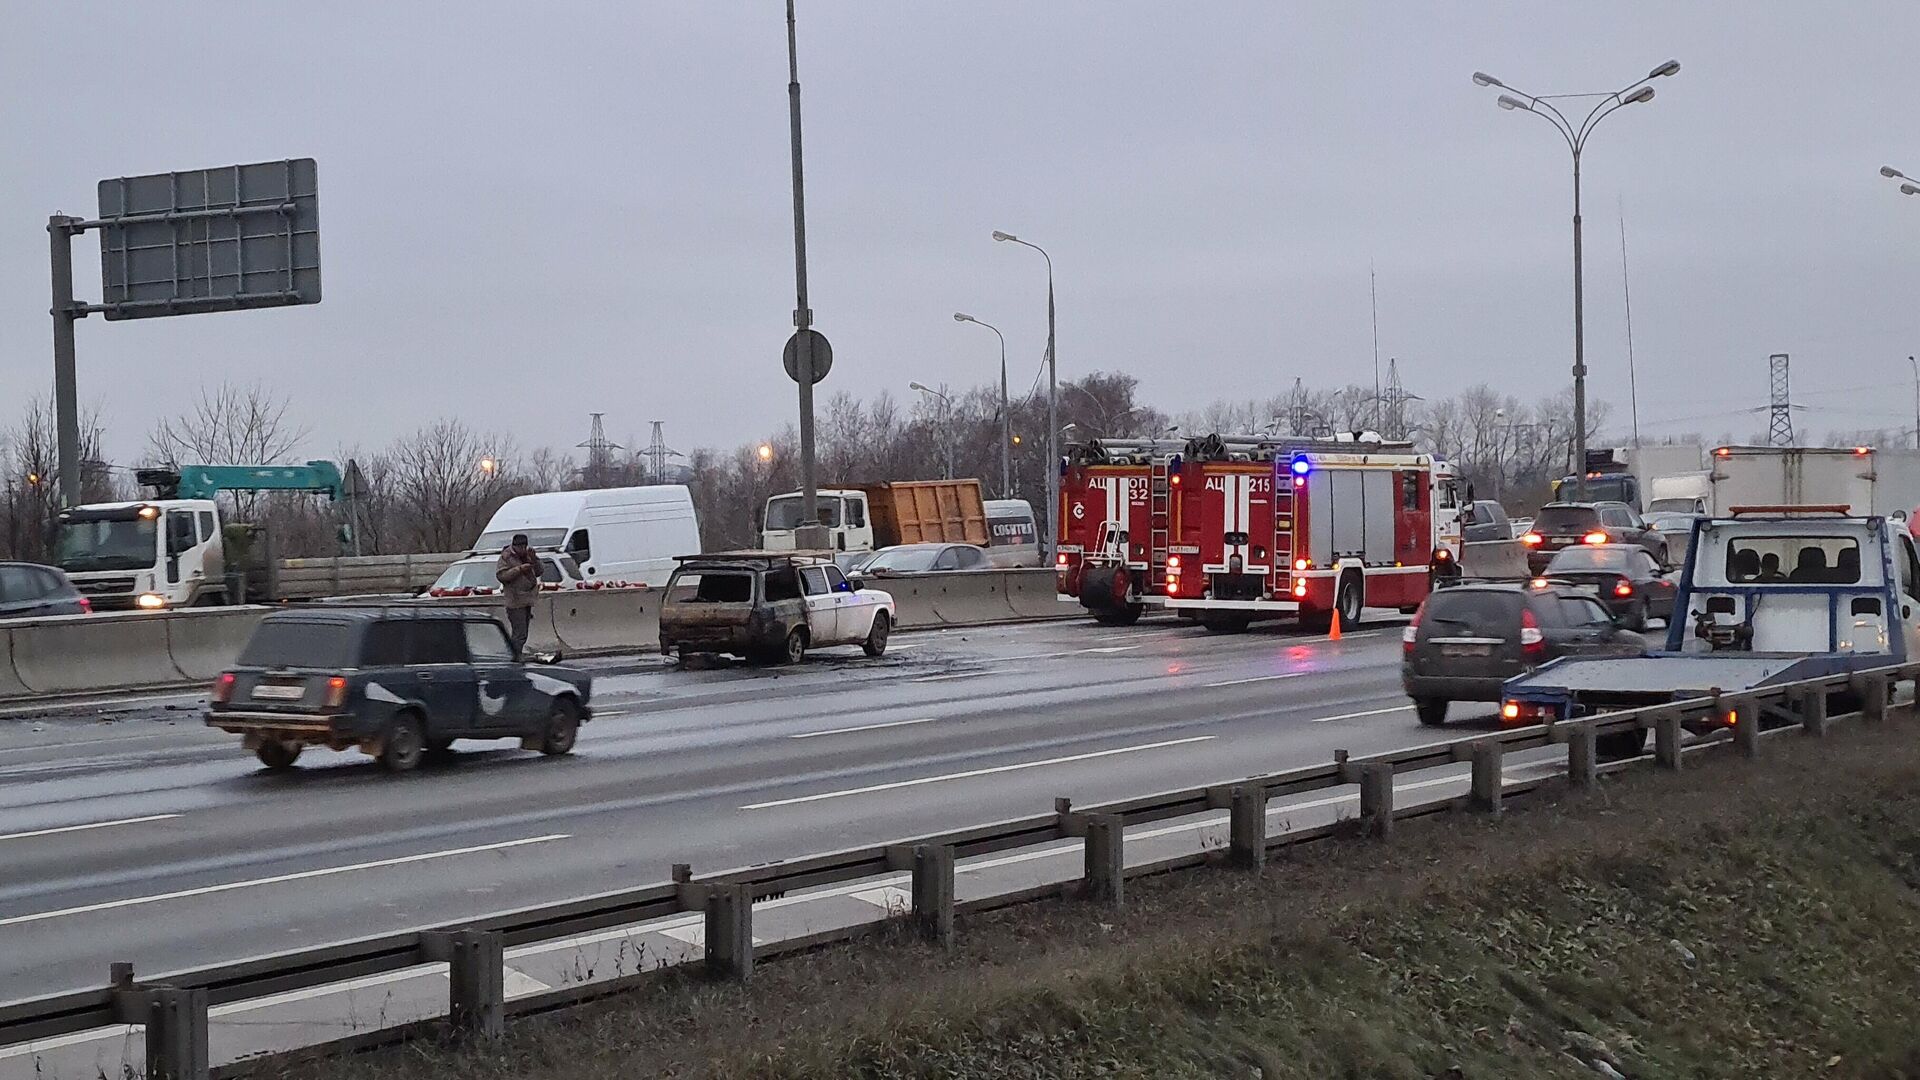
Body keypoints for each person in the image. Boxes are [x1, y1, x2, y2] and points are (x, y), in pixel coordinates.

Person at [496, 533, 542, 659]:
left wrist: (534, 559)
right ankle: (514, 655)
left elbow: (539, 572)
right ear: (514, 546)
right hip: (515, 600)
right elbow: (502, 576)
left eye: (524, 546)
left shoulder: (528, 555)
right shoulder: (506, 557)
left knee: (524, 632)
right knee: (519, 632)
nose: (522, 549)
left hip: (527, 599)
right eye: (520, 547)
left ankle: (517, 653)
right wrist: (519, 569)